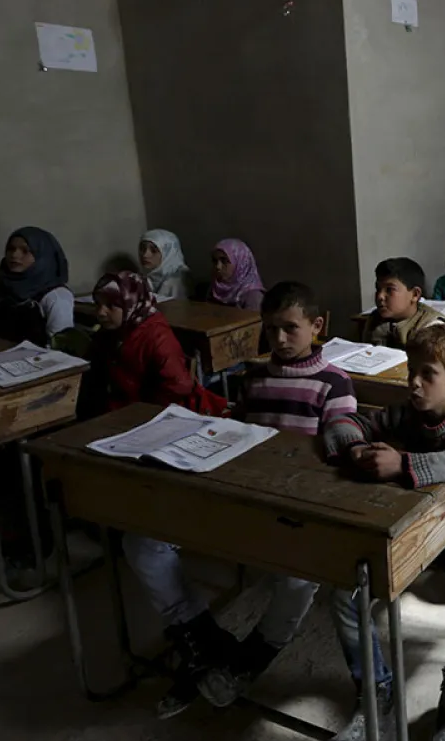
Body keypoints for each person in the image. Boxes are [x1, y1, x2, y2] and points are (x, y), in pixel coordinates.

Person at [141, 282, 354, 716]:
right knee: (142, 542)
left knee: (299, 577)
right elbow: (237, 433)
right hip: (240, 496)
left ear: (316, 326)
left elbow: (340, 445)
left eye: (290, 328)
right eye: (270, 329)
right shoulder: (254, 378)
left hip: (296, 506)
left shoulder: (334, 383)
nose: (279, 338)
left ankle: (252, 655)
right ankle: (201, 638)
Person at [319, 325, 445, 741]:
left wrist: (402, 465)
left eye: (427, 375)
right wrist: (357, 449)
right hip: (414, 524)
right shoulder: (405, 414)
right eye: (411, 372)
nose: (414, 384)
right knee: (343, 590)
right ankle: (376, 694)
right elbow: (342, 423)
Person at [83, 272, 225, 417]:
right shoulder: (110, 332)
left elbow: (179, 386)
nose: (100, 312)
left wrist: (144, 410)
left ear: (130, 304)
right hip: (117, 409)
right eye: (97, 304)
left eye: (111, 305)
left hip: (147, 414)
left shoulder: (157, 337)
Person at [0, 226, 74, 347]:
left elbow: (59, 346)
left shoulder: (56, 297)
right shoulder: (5, 284)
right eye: (11, 249)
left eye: (25, 251)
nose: (14, 255)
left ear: (43, 257)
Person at [364, 257, 445, 348]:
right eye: (378, 289)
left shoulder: (432, 328)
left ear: (415, 294)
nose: (380, 296)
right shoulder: (374, 319)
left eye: (389, 290)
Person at [208, 237, 266, 312]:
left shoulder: (252, 297)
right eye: (215, 261)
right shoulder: (215, 290)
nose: (218, 267)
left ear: (240, 264)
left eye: (224, 261)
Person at [138, 228, 190, 300]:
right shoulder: (147, 277)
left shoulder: (176, 280)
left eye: (154, 250)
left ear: (168, 253)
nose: (145, 255)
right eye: (142, 249)